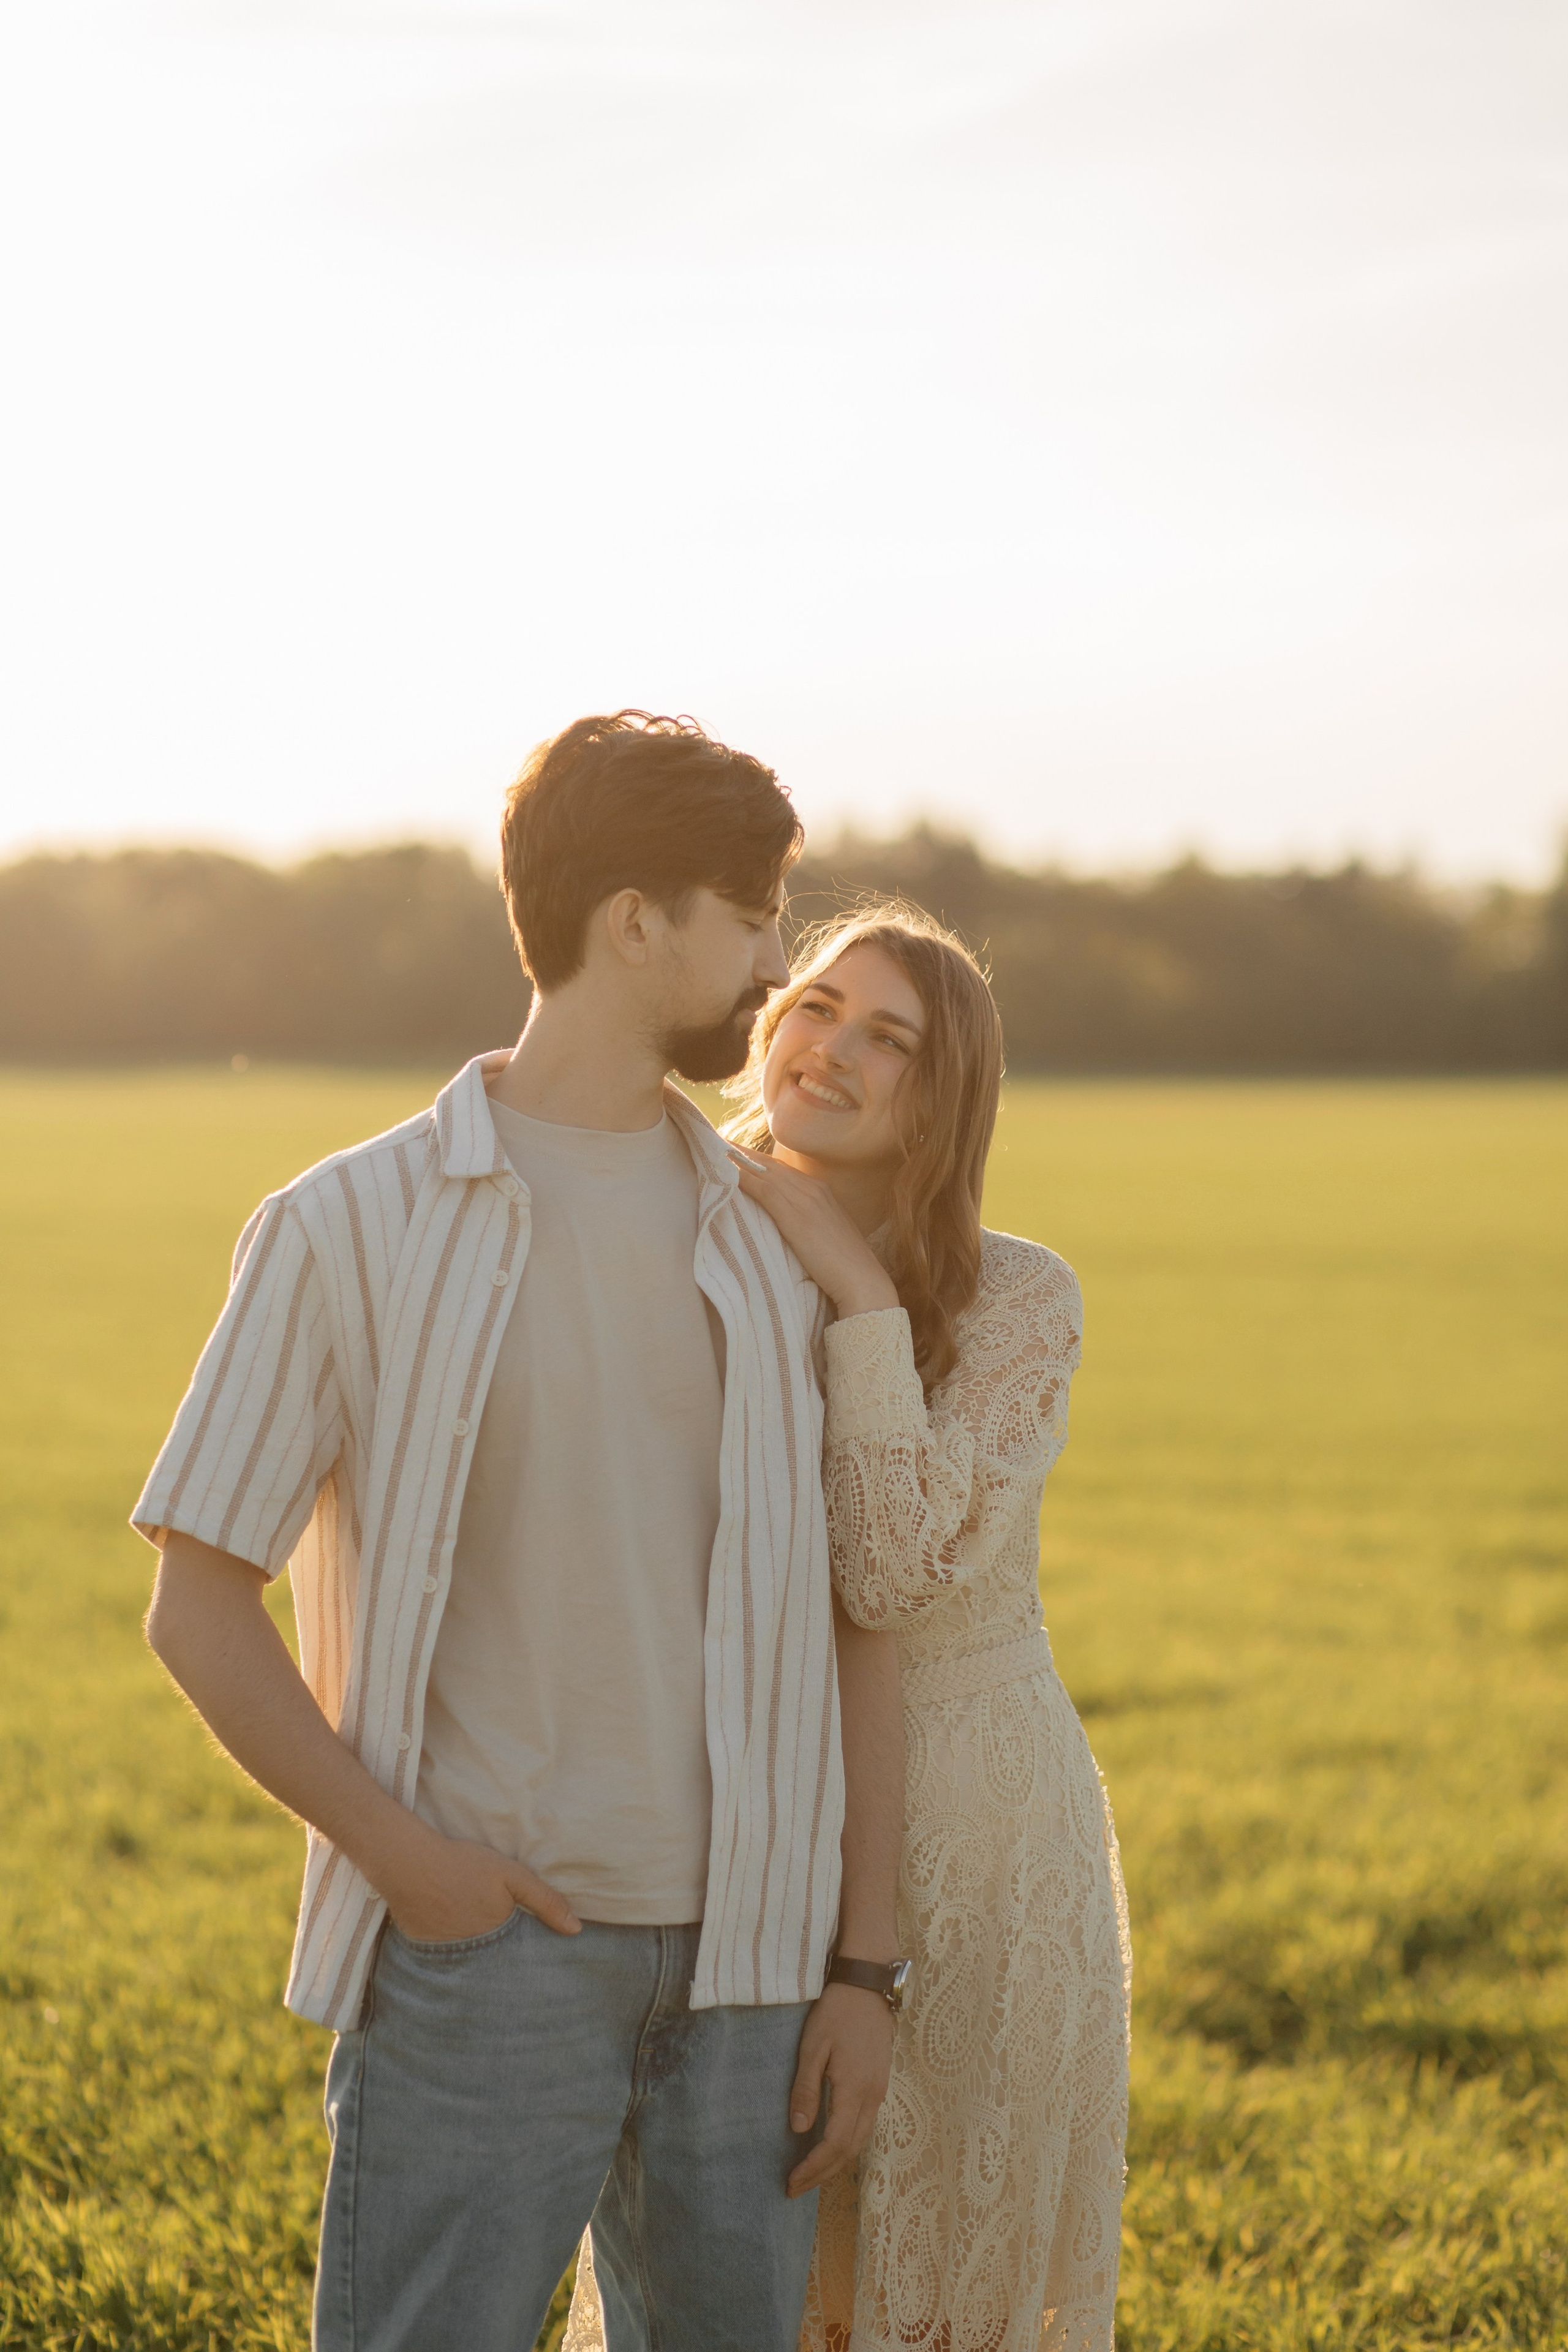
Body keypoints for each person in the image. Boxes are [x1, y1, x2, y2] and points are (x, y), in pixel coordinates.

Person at [135, 712, 907, 2352]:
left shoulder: (775, 1242)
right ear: (636, 922)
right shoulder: (344, 1226)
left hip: (753, 1979)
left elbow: (864, 1619)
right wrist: (416, 1870)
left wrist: (860, 1974)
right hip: (482, 1971)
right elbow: (197, 1606)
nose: (777, 961)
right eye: (752, 910)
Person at [727, 905, 1132, 2352]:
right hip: (745, 1804)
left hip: (979, 1834)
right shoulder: (694, 1232)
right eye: (816, 1006)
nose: (828, 1048)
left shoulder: (1019, 1295)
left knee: (944, 2277)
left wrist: (855, 1288)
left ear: (937, 1094)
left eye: (884, 1038)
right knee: (750, 2267)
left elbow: (887, 1576)